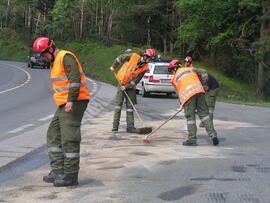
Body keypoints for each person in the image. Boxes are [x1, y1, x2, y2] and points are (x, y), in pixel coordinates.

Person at [32, 37, 90, 187]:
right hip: (64, 104)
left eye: (43, 55)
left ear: (50, 49)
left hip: (75, 102)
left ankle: (70, 176)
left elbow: (75, 80)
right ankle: (58, 171)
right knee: (53, 135)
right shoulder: (55, 61)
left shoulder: (66, 57)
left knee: (69, 138)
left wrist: (71, 100)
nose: (43, 58)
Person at [169, 59, 219, 146]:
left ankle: (192, 139)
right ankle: (213, 135)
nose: (171, 73)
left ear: (174, 69)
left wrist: (181, 103)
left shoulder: (175, 78)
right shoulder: (190, 69)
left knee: (190, 118)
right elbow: (204, 72)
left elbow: (178, 92)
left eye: (171, 71)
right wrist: (204, 84)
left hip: (188, 96)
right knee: (204, 115)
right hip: (199, 91)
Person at [110, 49, 157, 133]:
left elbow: (136, 80)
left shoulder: (145, 68)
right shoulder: (133, 56)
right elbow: (119, 58)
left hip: (130, 87)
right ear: (145, 56)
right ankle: (115, 126)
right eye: (149, 58)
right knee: (118, 105)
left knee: (130, 107)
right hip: (121, 82)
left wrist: (127, 86)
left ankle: (130, 127)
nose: (150, 61)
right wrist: (113, 66)